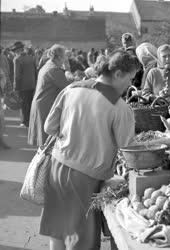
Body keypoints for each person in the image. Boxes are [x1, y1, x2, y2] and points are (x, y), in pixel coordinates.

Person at [39, 50, 140, 250]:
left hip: (57, 166)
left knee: (58, 229)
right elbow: (128, 148)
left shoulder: (71, 89)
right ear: (118, 73)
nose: (130, 85)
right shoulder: (119, 107)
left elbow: (49, 127)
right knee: (81, 239)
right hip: (85, 177)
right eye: (130, 78)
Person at [28, 44, 72, 146]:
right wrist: (68, 69)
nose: (66, 58)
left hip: (43, 103)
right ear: (59, 57)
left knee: (44, 141)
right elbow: (68, 86)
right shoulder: (54, 69)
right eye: (65, 56)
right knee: (46, 142)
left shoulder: (49, 65)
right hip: (45, 105)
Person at [11, 41, 37, 127]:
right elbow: (35, 72)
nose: (14, 52)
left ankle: (25, 122)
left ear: (17, 50)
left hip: (22, 86)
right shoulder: (31, 57)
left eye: (14, 50)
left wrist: (15, 88)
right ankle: (30, 121)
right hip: (32, 84)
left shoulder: (17, 59)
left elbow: (17, 76)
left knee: (23, 104)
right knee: (30, 103)